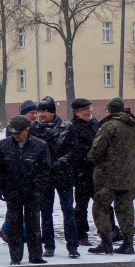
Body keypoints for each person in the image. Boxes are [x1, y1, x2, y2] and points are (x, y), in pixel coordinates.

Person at [0, 115, 51, 265]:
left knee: (33, 225)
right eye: (13, 132)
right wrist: (1, 187)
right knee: (14, 226)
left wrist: (38, 189)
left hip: (32, 191)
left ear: (27, 130)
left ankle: (36, 256)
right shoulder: (3, 145)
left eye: (18, 133)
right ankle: (15, 257)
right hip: (12, 191)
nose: (15, 136)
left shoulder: (40, 145)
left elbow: (44, 170)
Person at [87, 97, 135, 255]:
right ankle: (128, 243)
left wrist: (90, 156)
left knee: (100, 207)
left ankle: (105, 242)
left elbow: (96, 152)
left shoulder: (109, 126)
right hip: (129, 176)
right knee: (126, 209)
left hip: (108, 176)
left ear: (110, 110)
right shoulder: (134, 125)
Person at [30, 96, 79, 258]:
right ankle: (48, 245)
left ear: (53, 112)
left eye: (44, 111)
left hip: (63, 175)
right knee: (45, 212)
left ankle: (72, 246)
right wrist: (43, 166)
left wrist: (59, 163)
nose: (41, 114)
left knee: (68, 211)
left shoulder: (67, 127)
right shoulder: (34, 129)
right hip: (44, 177)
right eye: (39, 111)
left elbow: (74, 151)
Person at [68, 98, 101, 246]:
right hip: (82, 173)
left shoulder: (95, 124)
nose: (89, 111)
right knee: (81, 207)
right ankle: (81, 235)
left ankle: (109, 231)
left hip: (97, 173)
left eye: (89, 108)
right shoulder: (72, 128)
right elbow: (75, 150)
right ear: (76, 112)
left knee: (102, 204)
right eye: (85, 109)